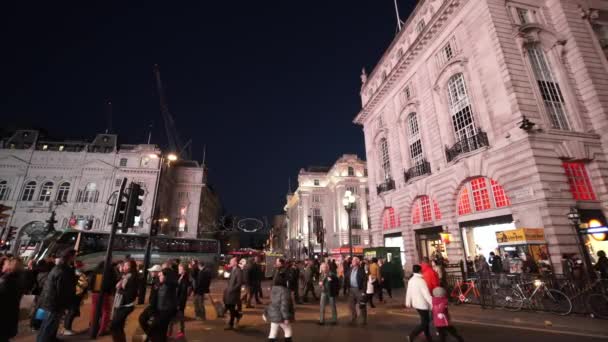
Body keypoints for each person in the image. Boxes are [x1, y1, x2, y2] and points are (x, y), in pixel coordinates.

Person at [37, 249, 77, 342]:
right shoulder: (63, 270)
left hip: (51, 300)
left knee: (49, 324)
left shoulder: (60, 268)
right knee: (48, 324)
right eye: (74, 255)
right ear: (70, 257)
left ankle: (50, 338)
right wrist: (65, 303)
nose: (75, 257)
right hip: (54, 302)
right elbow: (62, 289)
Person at [265, 258, 294, 342]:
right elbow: (284, 305)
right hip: (280, 316)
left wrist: (266, 313)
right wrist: (286, 318)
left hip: (274, 314)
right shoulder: (284, 291)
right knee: (287, 330)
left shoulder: (274, 290)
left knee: (272, 332)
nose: (275, 263)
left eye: (277, 262)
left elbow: (271, 303)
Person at [111, 260, 139, 342]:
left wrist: (119, 290)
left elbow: (130, 293)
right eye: (124, 265)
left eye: (127, 266)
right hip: (122, 304)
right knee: (118, 326)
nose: (124, 267)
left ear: (131, 267)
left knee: (114, 326)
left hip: (126, 305)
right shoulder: (126, 276)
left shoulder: (132, 277)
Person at [148, 268, 178, 342]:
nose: (159, 276)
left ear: (166, 276)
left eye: (161, 275)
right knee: (161, 331)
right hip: (160, 310)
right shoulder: (161, 284)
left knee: (156, 327)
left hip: (166, 312)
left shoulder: (170, 285)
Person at [405, 264, 433, 342]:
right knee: (425, 322)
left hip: (416, 304)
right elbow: (426, 294)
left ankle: (428, 337)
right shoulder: (421, 281)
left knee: (425, 321)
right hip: (422, 304)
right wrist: (432, 303)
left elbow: (408, 292)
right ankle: (411, 335)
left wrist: (408, 302)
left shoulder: (411, 280)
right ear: (420, 271)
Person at [0, 257, 24, 342]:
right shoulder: (19, 280)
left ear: (9, 266)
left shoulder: (5, 281)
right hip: (10, 317)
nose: (2, 265)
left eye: (4, 264)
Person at [63, 260, 89, 336]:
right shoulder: (78, 275)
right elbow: (82, 285)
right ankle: (66, 329)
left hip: (74, 296)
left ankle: (67, 328)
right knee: (72, 312)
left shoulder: (75, 274)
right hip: (75, 296)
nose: (83, 267)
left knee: (72, 312)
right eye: (82, 266)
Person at [139, 264, 162, 340]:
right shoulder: (155, 280)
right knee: (143, 319)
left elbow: (157, 296)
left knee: (143, 319)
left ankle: (150, 336)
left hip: (155, 307)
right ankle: (151, 336)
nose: (151, 273)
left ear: (157, 272)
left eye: (152, 271)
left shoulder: (158, 282)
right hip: (153, 306)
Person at [169, 263, 191, 339]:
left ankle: (179, 332)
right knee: (176, 317)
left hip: (180, 302)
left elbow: (183, 293)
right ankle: (173, 331)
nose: (178, 270)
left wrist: (179, 304)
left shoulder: (185, 279)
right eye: (178, 268)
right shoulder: (180, 277)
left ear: (184, 270)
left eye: (180, 269)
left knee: (179, 317)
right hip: (177, 301)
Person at [223, 257, 244, 330]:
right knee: (229, 307)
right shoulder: (233, 270)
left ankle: (231, 324)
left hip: (234, 293)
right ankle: (237, 315)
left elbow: (239, 283)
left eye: (231, 262)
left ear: (235, 263)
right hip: (229, 292)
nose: (230, 263)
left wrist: (232, 289)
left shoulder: (238, 271)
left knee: (231, 307)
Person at [346, 257, 367, 325]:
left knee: (362, 305)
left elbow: (364, 281)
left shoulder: (361, 270)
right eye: (352, 260)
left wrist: (364, 291)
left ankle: (363, 320)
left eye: (354, 261)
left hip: (359, 289)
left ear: (357, 262)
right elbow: (347, 277)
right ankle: (353, 318)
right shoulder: (350, 269)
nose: (352, 261)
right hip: (351, 289)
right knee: (351, 305)